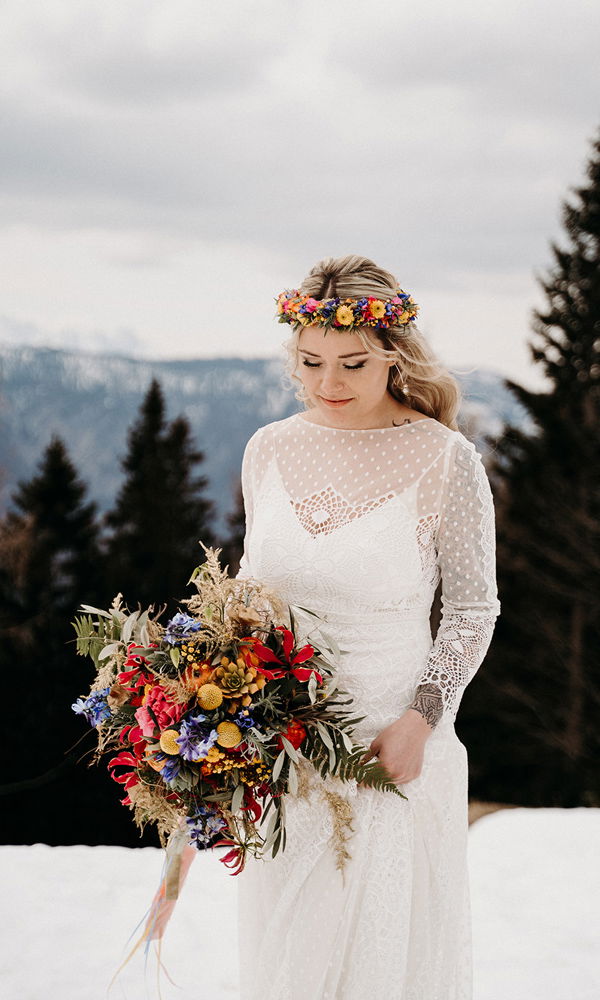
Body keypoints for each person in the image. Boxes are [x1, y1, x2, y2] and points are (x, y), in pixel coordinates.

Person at [235, 254, 501, 999]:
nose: (329, 384)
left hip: (393, 750)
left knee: (378, 967)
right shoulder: (268, 450)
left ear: (393, 353)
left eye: (352, 363)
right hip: (287, 753)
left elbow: (474, 610)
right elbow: (251, 597)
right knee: (292, 961)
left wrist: (422, 718)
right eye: (311, 362)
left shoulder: (448, 459)